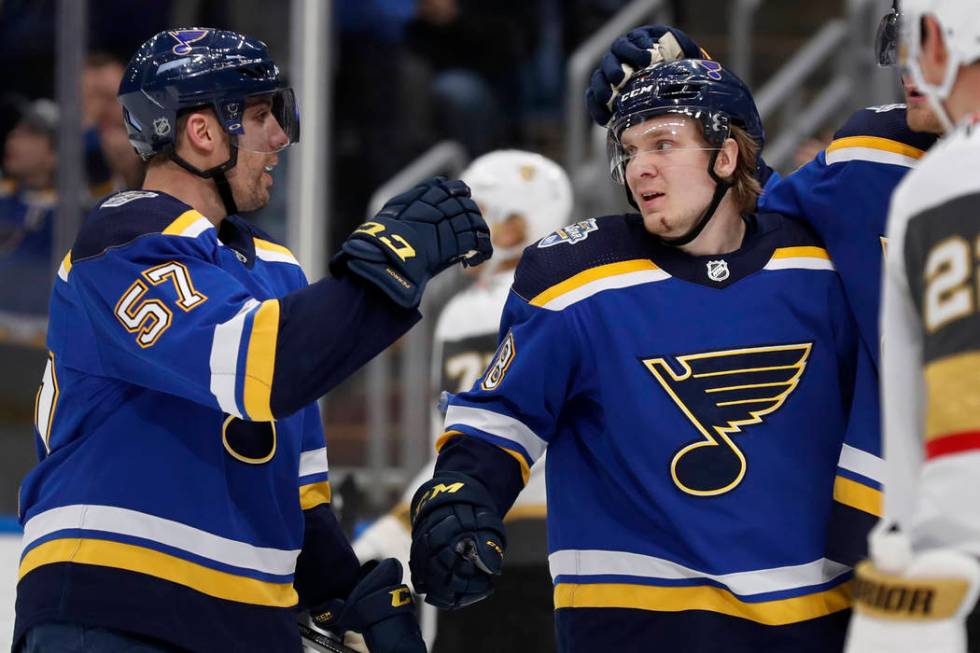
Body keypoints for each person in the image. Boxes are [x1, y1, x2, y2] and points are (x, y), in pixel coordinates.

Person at [12, 28, 492, 653]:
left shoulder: (276, 271)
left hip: (241, 625)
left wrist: (347, 598)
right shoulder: (125, 237)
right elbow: (264, 366)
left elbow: (299, 494)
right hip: (113, 608)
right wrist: (394, 263)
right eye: (263, 114)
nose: (281, 136)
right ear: (203, 132)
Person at [409, 59, 872, 652]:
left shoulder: (821, 268)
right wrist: (463, 493)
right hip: (634, 623)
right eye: (628, 149)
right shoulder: (574, 277)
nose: (640, 167)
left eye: (663, 143)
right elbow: (500, 418)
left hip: (809, 620)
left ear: (726, 156)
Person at [584, 15, 947, 566]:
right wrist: (690, 93)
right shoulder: (872, 155)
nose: (909, 63)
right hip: (911, 522)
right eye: (905, 38)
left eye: (937, 37)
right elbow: (749, 207)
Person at [354, 149, 572, 652]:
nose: (466, 226)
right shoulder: (571, 292)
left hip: (482, 545)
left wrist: (393, 528)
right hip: (563, 543)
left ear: (516, 224)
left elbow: (466, 447)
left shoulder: (468, 312)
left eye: (481, 212)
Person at [843, 1, 980, 651]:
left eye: (915, 37)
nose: (907, 65)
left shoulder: (954, 178)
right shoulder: (898, 164)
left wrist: (929, 560)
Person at [0, 99, 58, 318]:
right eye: (16, 130)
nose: (14, 138)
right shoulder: (5, 194)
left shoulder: (67, 214)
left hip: (34, 336)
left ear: (55, 154)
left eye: (30, 133)